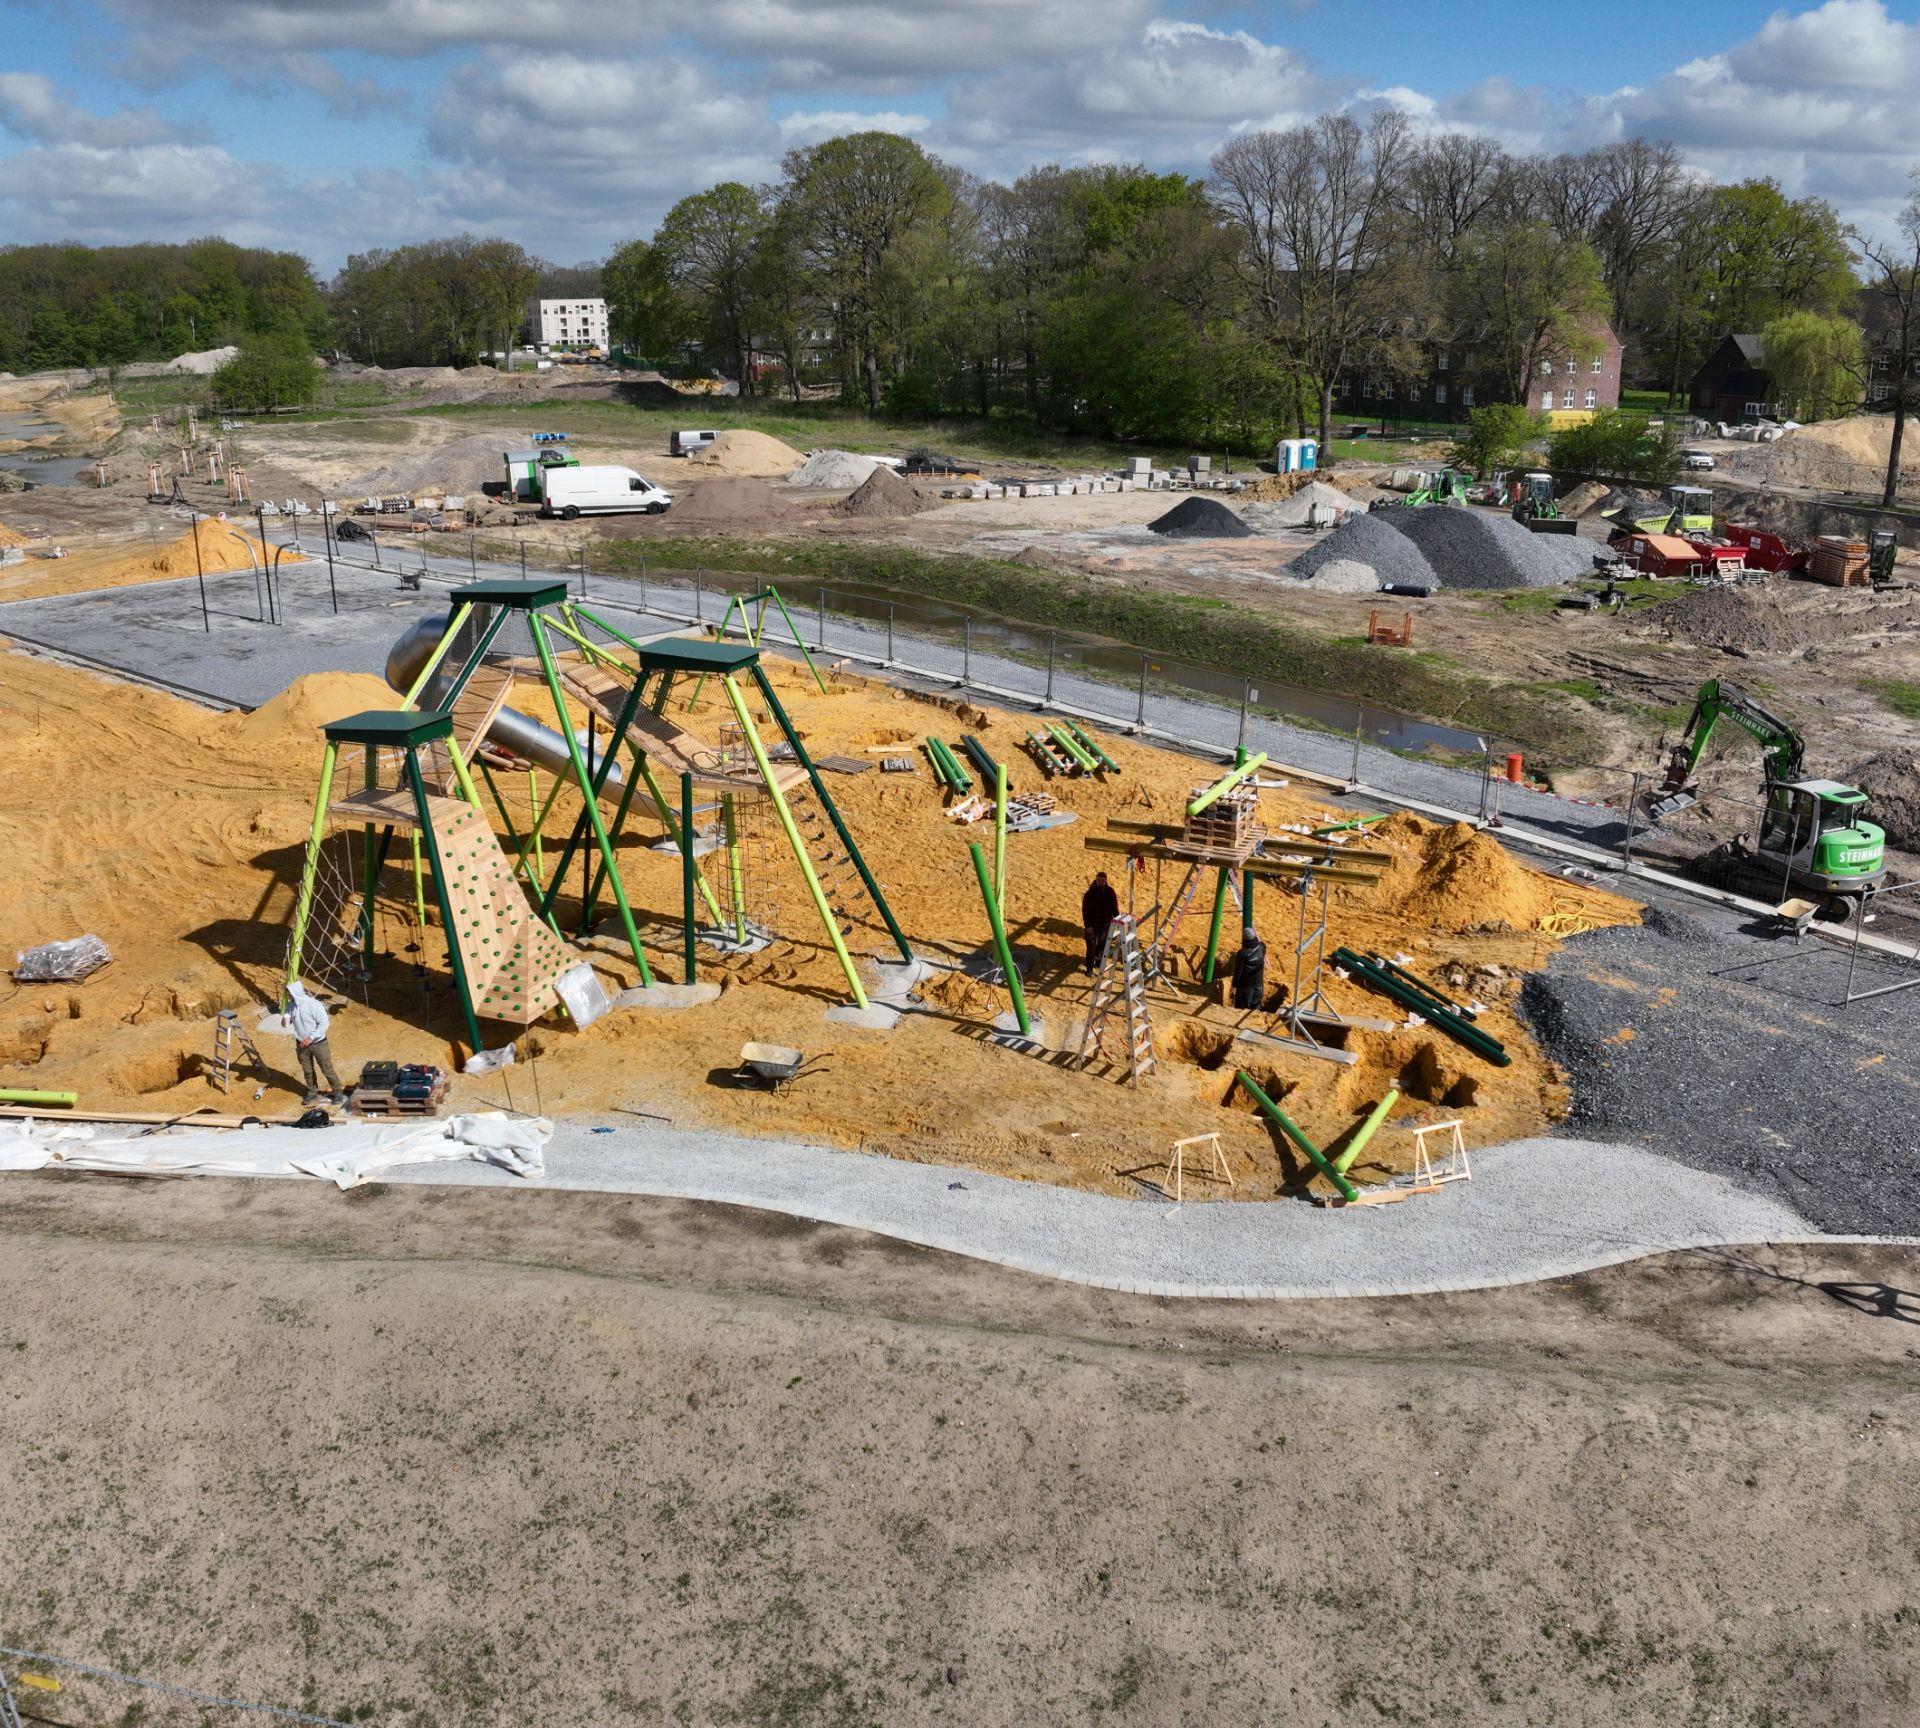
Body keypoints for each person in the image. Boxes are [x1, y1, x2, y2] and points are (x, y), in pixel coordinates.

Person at [285, 980, 344, 1107]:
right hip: (301, 1044)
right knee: (308, 1071)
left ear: (295, 992)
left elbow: (324, 1024)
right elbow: (287, 1022)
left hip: (318, 1044)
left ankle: (338, 1093)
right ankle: (312, 1093)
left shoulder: (313, 1004)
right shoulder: (290, 1006)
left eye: (289, 993)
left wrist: (310, 1038)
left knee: (327, 1069)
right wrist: (285, 1020)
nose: (287, 995)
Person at [1080, 871, 1120, 972]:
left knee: (1103, 944)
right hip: (1093, 925)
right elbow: (1085, 912)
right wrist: (1088, 925)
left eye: (1103, 880)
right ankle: (1089, 968)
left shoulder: (1110, 892)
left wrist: (1117, 919)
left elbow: (1114, 907)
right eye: (1099, 880)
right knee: (1092, 947)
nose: (1101, 882)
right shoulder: (1089, 894)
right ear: (1096, 879)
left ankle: (1098, 961)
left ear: (1106, 880)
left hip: (1106, 924)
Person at [1231, 923, 1267, 1010]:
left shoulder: (1242, 953)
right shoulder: (1262, 947)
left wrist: (1234, 985)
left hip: (1245, 990)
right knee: (1256, 1010)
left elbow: (1238, 971)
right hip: (1259, 988)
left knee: (1241, 1010)